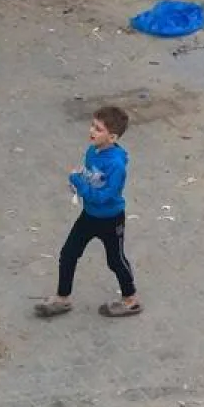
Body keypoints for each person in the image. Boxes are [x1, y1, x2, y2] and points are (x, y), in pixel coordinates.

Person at [35, 105, 140, 319]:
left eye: (98, 129)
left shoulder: (117, 165)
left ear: (112, 137)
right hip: (89, 216)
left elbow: (103, 197)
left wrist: (77, 182)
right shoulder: (92, 151)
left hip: (110, 219)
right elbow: (90, 175)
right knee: (69, 253)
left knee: (115, 260)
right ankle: (63, 298)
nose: (92, 131)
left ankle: (131, 299)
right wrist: (80, 180)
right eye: (92, 125)